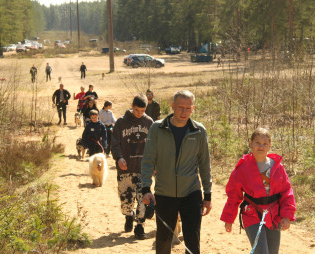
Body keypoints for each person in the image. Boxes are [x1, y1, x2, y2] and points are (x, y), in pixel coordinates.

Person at [141, 90, 212, 254]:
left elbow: (204, 164)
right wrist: (146, 189)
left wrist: (207, 195)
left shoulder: (199, 131)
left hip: (191, 193)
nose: (184, 112)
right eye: (180, 107)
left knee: (193, 243)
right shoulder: (157, 128)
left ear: (193, 108)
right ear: (172, 106)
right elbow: (148, 160)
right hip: (164, 194)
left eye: (188, 108)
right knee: (164, 241)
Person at [220, 127, 296, 254]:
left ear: (270, 145)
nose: (261, 146)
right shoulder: (242, 168)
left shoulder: (277, 167)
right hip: (252, 214)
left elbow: (287, 192)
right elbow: (234, 195)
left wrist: (287, 215)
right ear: (251, 144)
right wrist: (229, 218)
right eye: (257, 143)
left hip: (273, 214)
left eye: (265, 143)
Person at [111, 95, 153, 240]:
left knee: (142, 198)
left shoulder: (149, 122)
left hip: (143, 170)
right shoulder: (121, 122)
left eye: (142, 111)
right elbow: (114, 143)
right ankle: (128, 215)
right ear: (131, 105)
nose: (139, 113)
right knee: (126, 200)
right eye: (136, 110)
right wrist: (119, 157)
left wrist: (154, 164)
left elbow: (154, 146)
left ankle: (140, 225)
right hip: (125, 169)